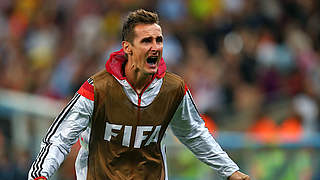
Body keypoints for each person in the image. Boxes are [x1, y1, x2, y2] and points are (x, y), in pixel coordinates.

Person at [28, 9, 250, 180]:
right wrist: (40, 175)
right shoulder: (97, 89)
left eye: (159, 40)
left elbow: (194, 133)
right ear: (127, 48)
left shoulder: (173, 89)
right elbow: (59, 138)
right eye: (146, 41)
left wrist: (230, 171)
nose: (155, 47)